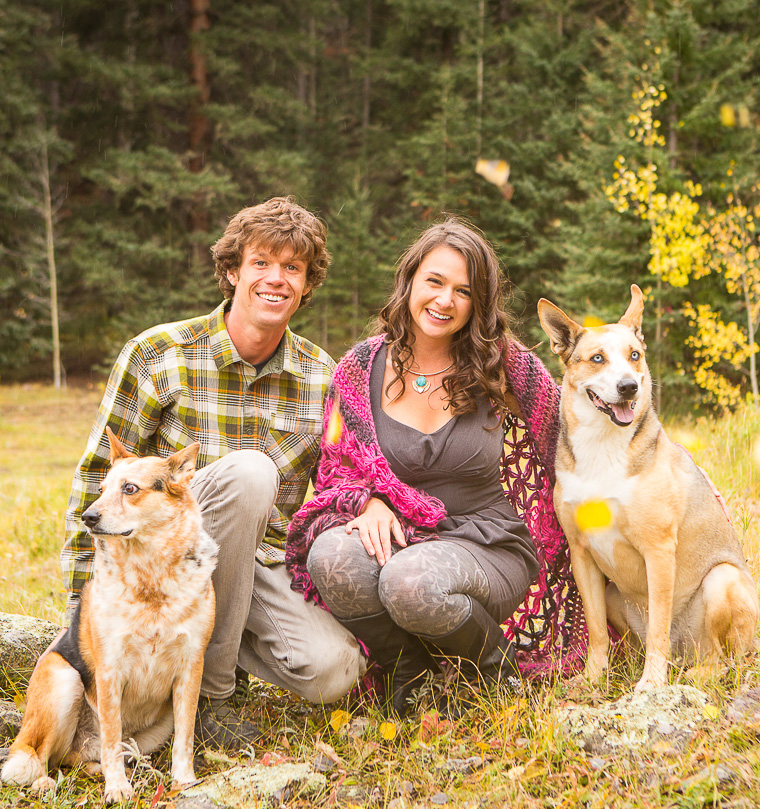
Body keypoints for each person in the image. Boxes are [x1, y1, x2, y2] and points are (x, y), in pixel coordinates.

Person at [61, 197, 366, 749]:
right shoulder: (159, 354)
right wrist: (80, 619)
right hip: (162, 561)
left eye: (292, 268)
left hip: (262, 561)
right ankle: (213, 699)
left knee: (334, 671)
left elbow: (345, 479)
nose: (276, 279)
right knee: (250, 474)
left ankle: (218, 649)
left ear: (307, 284)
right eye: (261, 263)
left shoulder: (324, 377)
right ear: (231, 271)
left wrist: (375, 504)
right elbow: (94, 483)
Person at [284, 218, 586, 717]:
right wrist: (369, 499)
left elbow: (572, 433)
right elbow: (336, 470)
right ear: (410, 280)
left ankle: (494, 670)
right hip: (397, 534)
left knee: (409, 581)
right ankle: (411, 671)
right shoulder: (358, 369)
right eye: (435, 281)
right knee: (330, 558)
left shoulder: (501, 364)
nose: (445, 300)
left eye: (463, 291)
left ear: (479, 303)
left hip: (487, 543)